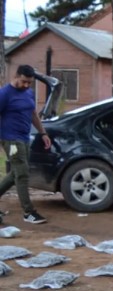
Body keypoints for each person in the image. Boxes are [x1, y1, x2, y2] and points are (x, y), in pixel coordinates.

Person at [0, 65, 51, 225]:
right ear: (16, 76)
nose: (26, 85)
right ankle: (28, 212)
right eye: (24, 82)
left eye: (30, 82)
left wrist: (43, 133)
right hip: (11, 139)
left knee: (15, 173)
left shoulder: (29, 92)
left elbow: (33, 114)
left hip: (24, 138)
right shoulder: (4, 94)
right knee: (22, 174)